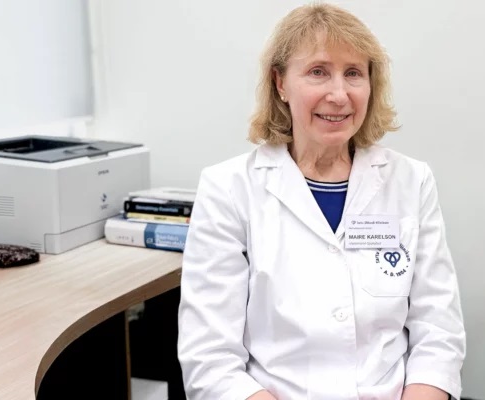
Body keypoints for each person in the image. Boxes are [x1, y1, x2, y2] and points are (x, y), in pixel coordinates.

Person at [178, 3, 465, 400]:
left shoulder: (411, 181)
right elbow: (210, 360)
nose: (339, 94)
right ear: (280, 83)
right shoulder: (228, 189)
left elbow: (438, 333)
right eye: (318, 71)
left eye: (354, 73)